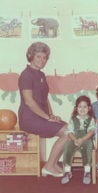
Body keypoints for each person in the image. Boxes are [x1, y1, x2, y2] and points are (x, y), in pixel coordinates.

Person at [18, 42, 68, 177]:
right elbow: (29, 102)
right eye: (38, 57)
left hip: (41, 116)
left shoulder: (41, 75)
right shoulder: (26, 75)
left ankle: (52, 163)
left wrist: (51, 115)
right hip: (29, 118)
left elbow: (45, 99)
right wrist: (47, 118)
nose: (42, 60)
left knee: (70, 128)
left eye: (44, 58)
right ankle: (49, 166)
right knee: (68, 132)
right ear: (30, 56)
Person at [61, 96, 96, 184]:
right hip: (74, 138)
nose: (82, 109)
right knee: (67, 146)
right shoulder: (73, 119)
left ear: (89, 108)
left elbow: (91, 132)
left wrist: (82, 139)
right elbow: (69, 132)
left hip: (86, 139)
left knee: (88, 146)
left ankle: (87, 172)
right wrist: (75, 140)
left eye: (85, 107)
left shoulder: (91, 119)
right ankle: (67, 171)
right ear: (76, 108)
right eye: (80, 107)